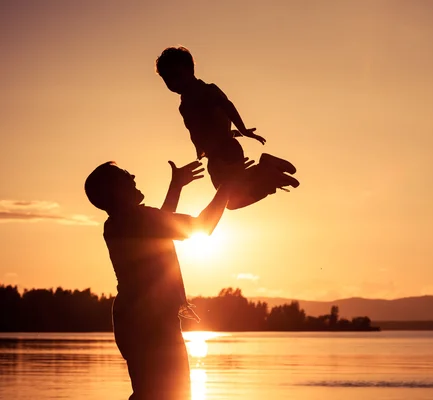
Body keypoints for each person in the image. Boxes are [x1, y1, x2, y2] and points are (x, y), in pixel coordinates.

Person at [84, 158, 250, 399]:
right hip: (150, 323)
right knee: (170, 393)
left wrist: (177, 186)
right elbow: (200, 227)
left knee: (151, 392)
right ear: (116, 190)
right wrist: (226, 186)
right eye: (125, 175)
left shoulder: (120, 222)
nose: (132, 177)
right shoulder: (135, 219)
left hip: (135, 319)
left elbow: (159, 226)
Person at [155, 46, 299, 210]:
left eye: (176, 76)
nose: (173, 83)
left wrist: (243, 129)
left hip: (223, 152)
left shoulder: (203, 91)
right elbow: (209, 125)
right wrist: (233, 133)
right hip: (217, 154)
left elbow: (227, 106)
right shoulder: (186, 102)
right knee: (234, 195)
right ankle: (270, 175)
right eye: (167, 79)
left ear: (189, 69)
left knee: (230, 197)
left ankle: (267, 168)